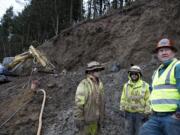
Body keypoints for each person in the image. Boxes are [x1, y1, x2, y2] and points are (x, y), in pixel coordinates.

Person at [139, 38, 180, 135]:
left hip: (173, 117)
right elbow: (154, 92)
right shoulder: (157, 71)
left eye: (167, 49)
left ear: (173, 52)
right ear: (157, 55)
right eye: (161, 50)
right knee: (145, 131)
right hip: (155, 116)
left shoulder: (177, 66)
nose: (164, 52)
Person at [74, 61, 105, 135]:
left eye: (99, 70)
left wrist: (103, 116)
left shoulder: (100, 84)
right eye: (97, 70)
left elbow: (102, 102)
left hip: (97, 122)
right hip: (87, 123)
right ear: (91, 72)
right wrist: (79, 118)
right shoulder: (84, 84)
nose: (99, 72)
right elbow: (79, 104)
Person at [120, 65, 151, 135]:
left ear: (139, 74)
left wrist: (147, 112)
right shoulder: (126, 85)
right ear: (129, 74)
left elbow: (148, 99)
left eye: (136, 73)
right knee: (128, 132)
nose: (134, 75)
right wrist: (122, 108)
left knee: (140, 132)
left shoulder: (145, 85)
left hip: (140, 115)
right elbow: (123, 97)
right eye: (132, 73)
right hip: (128, 114)